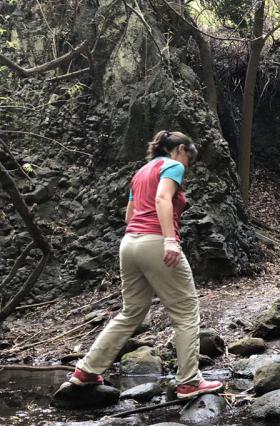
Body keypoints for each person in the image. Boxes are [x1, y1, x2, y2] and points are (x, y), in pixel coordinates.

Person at [67, 131, 223, 399]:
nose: (187, 166)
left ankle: (87, 371)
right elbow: (162, 198)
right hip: (155, 242)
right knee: (186, 312)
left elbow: (130, 215)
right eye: (189, 159)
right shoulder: (172, 166)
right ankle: (189, 382)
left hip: (130, 244)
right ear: (181, 150)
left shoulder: (140, 173)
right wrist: (170, 240)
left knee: (131, 312)